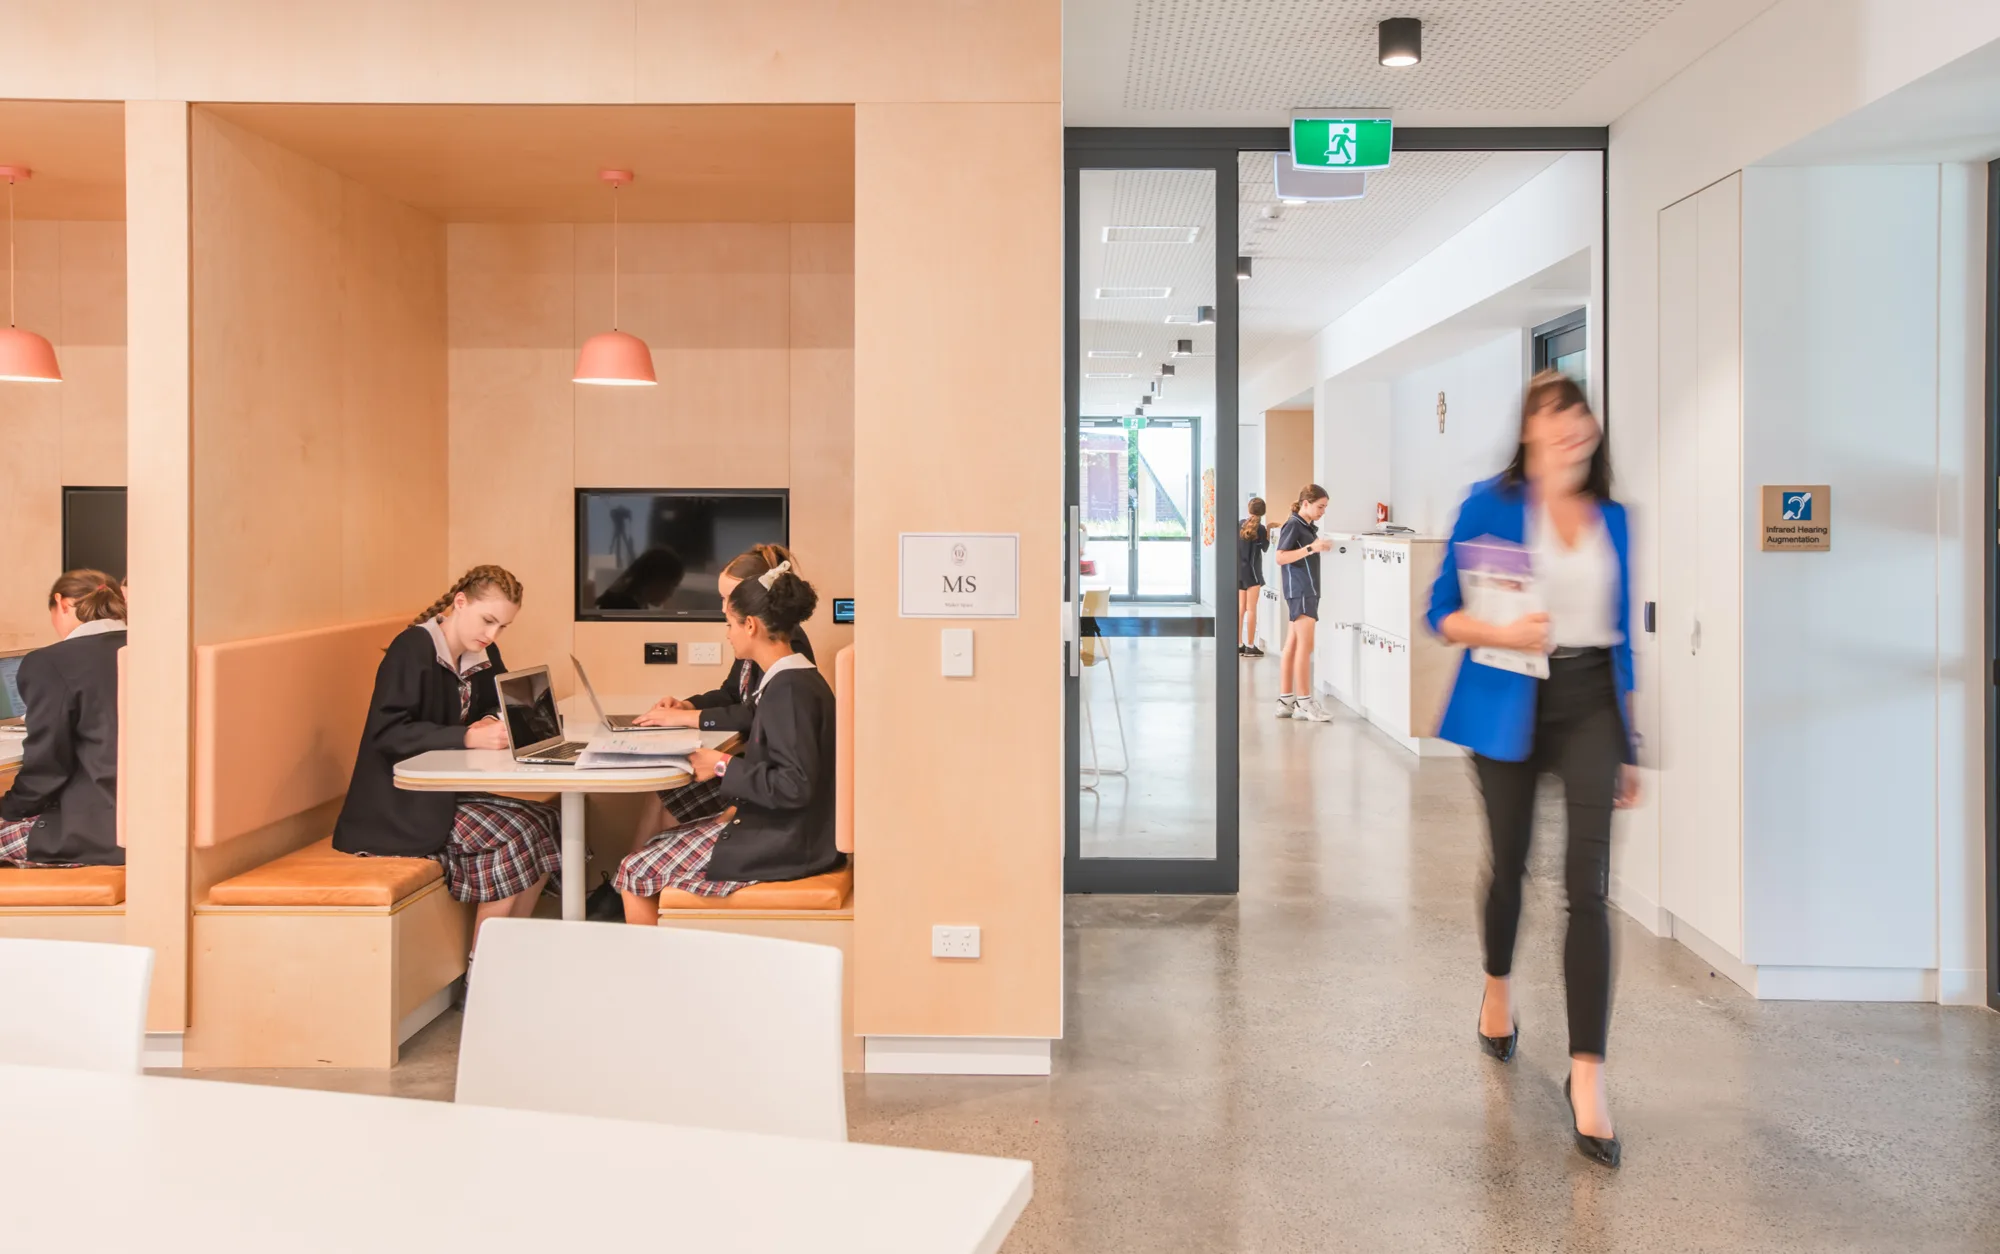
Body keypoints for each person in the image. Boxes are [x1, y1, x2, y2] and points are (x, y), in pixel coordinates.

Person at [1426, 370, 1639, 1169]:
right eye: (1551, 415)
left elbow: (1624, 636)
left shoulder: (1615, 519)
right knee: (1509, 866)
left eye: (1578, 412)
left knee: (1587, 885)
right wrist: (1504, 632)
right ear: (1529, 433)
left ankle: (1588, 1079)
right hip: (1509, 695)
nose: (1569, 426)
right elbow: (1439, 612)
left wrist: (1629, 739)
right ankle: (1497, 987)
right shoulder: (1489, 506)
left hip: (1589, 703)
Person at [332, 565, 559, 963]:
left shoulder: (481, 651)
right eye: (488, 621)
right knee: (518, 833)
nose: (492, 635)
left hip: (444, 793)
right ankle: (484, 971)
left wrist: (499, 718)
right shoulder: (413, 649)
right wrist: (467, 736)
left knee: (549, 821)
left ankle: (510, 958)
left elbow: (497, 703)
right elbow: (387, 734)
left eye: (502, 627)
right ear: (459, 603)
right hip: (395, 807)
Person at [617, 562, 840, 926]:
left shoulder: (788, 691)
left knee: (633, 871)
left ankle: (650, 978)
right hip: (791, 831)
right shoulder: (795, 680)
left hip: (792, 844)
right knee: (655, 845)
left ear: (750, 625)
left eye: (729, 624)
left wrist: (720, 764)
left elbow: (793, 785)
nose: (728, 634)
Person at [635, 544, 815, 825]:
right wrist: (687, 705)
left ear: (753, 610)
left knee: (666, 803)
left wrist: (690, 723)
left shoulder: (785, 654)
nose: (723, 608)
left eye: (729, 598)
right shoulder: (759, 647)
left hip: (759, 787)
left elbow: (756, 713)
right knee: (662, 795)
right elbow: (733, 693)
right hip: (756, 781)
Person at [0, 572, 126, 869]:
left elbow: (48, 767)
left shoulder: (50, 662)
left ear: (62, 603)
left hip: (96, 830)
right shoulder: (154, 648)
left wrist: (9, 809)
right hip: (156, 824)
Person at [1273, 485, 1334, 721]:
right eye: (1320, 507)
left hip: (1302, 591)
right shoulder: (1294, 524)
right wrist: (1312, 548)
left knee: (1292, 646)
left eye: (1325, 507)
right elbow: (1280, 557)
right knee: (1304, 647)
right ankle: (1305, 702)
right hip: (1301, 591)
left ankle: (1286, 700)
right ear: (1305, 503)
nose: (1323, 511)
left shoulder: (1305, 526)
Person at [1236, 497, 1270, 658]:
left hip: (1238, 571)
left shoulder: (1239, 524)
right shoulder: (1261, 529)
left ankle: (1238, 644)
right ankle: (1250, 646)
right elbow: (1265, 548)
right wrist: (1269, 532)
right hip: (1253, 573)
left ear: (1249, 509)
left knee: (1240, 609)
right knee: (1251, 610)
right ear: (1263, 511)